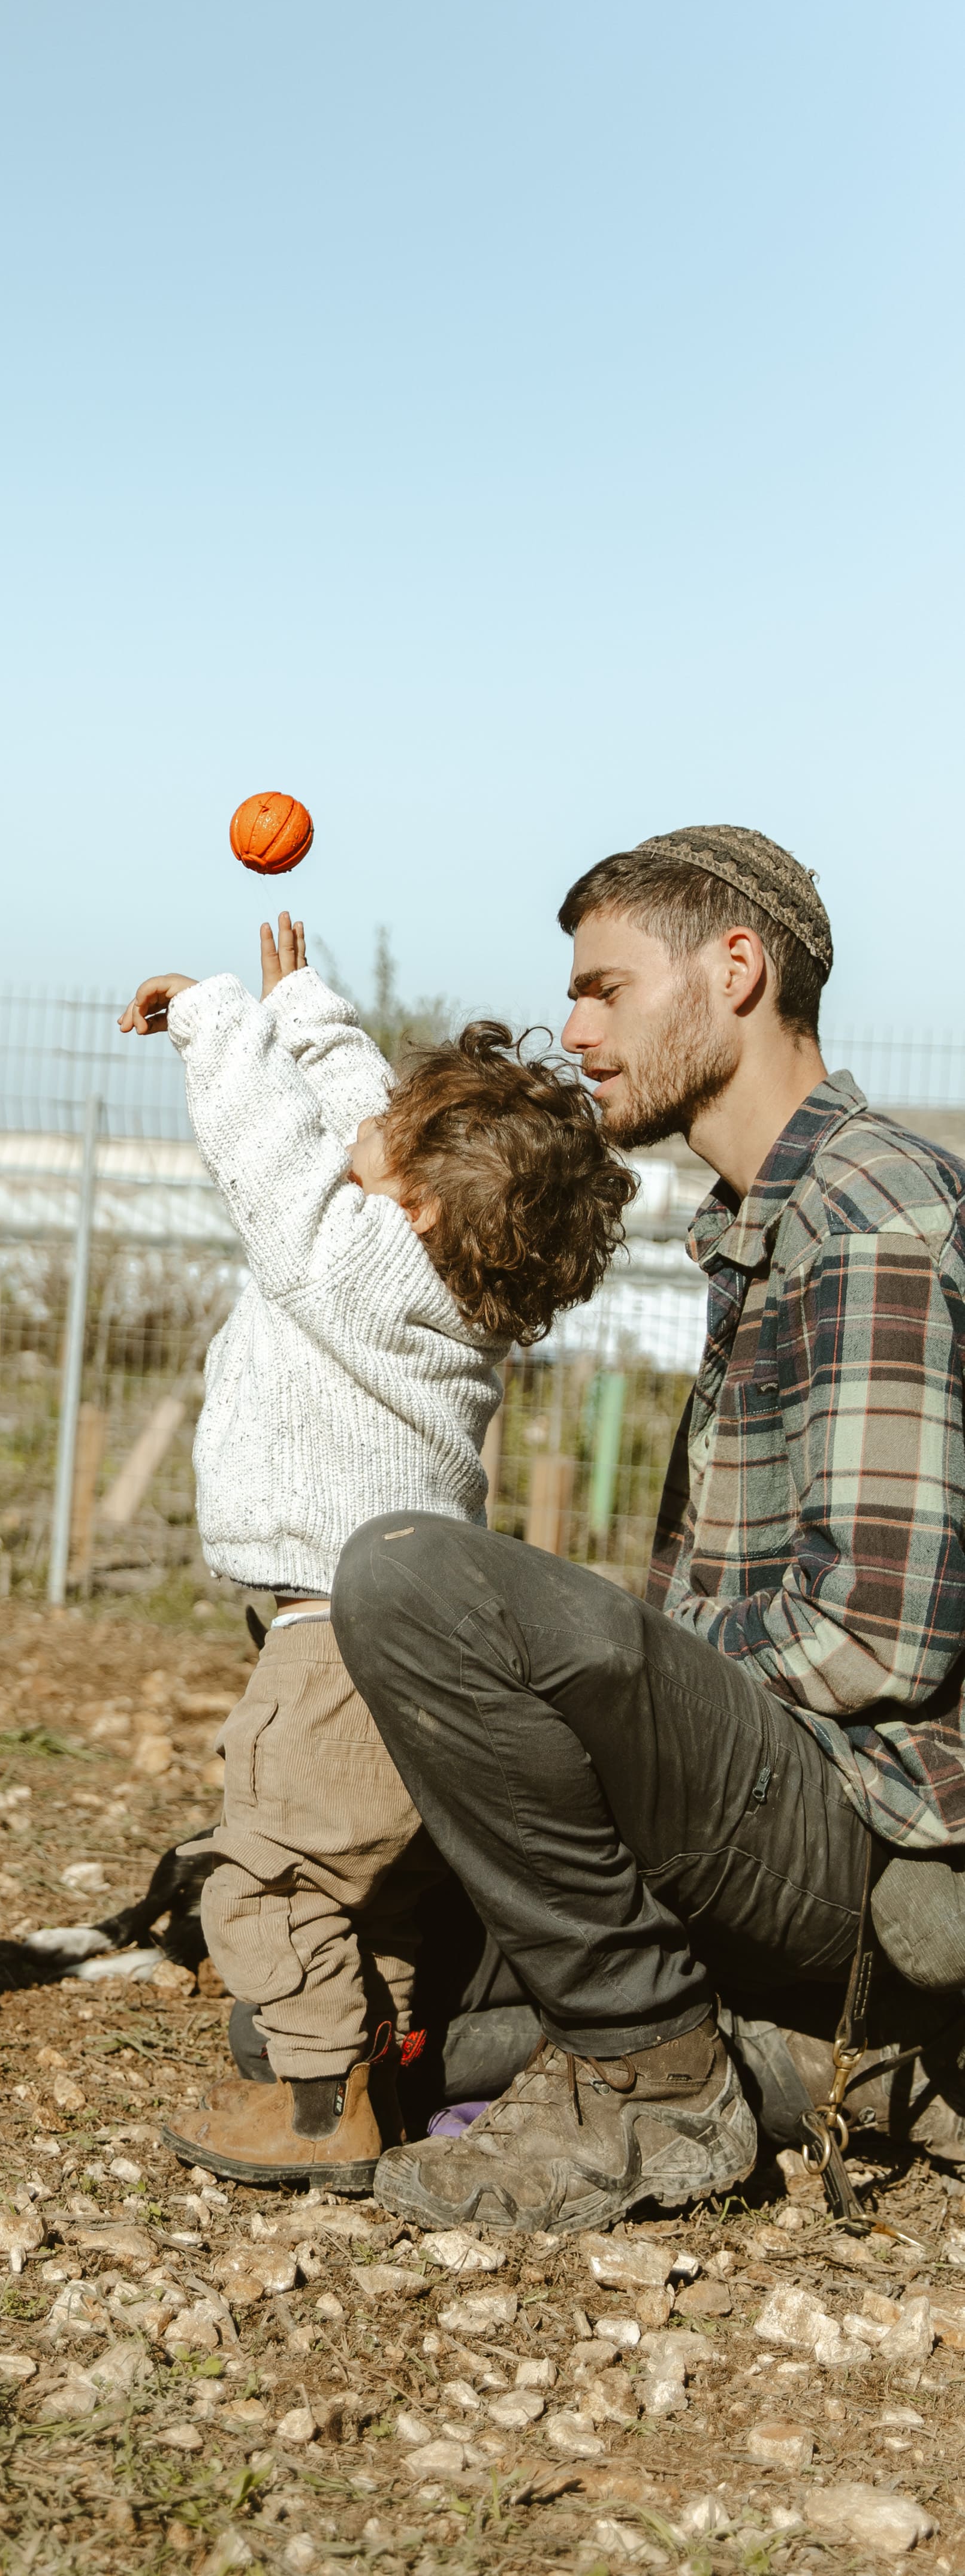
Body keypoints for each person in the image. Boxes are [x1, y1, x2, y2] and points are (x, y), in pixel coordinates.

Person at [333, 825, 965, 2233]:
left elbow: (875, 1635)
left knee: (412, 1578)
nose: (573, 1028)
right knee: (456, 2018)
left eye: (606, 986)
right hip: (780, 1793)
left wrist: (618, 1667)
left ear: (734, 968)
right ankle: (788, 2062)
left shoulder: (868, 1215)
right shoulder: (766, 1218)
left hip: (848, 1812)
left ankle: (657, 2082)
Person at [117, 917, 635, 2181]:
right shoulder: (439, 1281)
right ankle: (380, 2068)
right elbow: (375, 1130)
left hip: (328, 1642)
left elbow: (270, 1151)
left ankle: (315, 2105)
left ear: (404, 1202)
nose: (371, 1131)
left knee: (266, 1879)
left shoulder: (347, 1262)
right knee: (377, 1889)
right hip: (414, 1644)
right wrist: (313, 1008)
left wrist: (218, 1014)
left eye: (391, 1142)